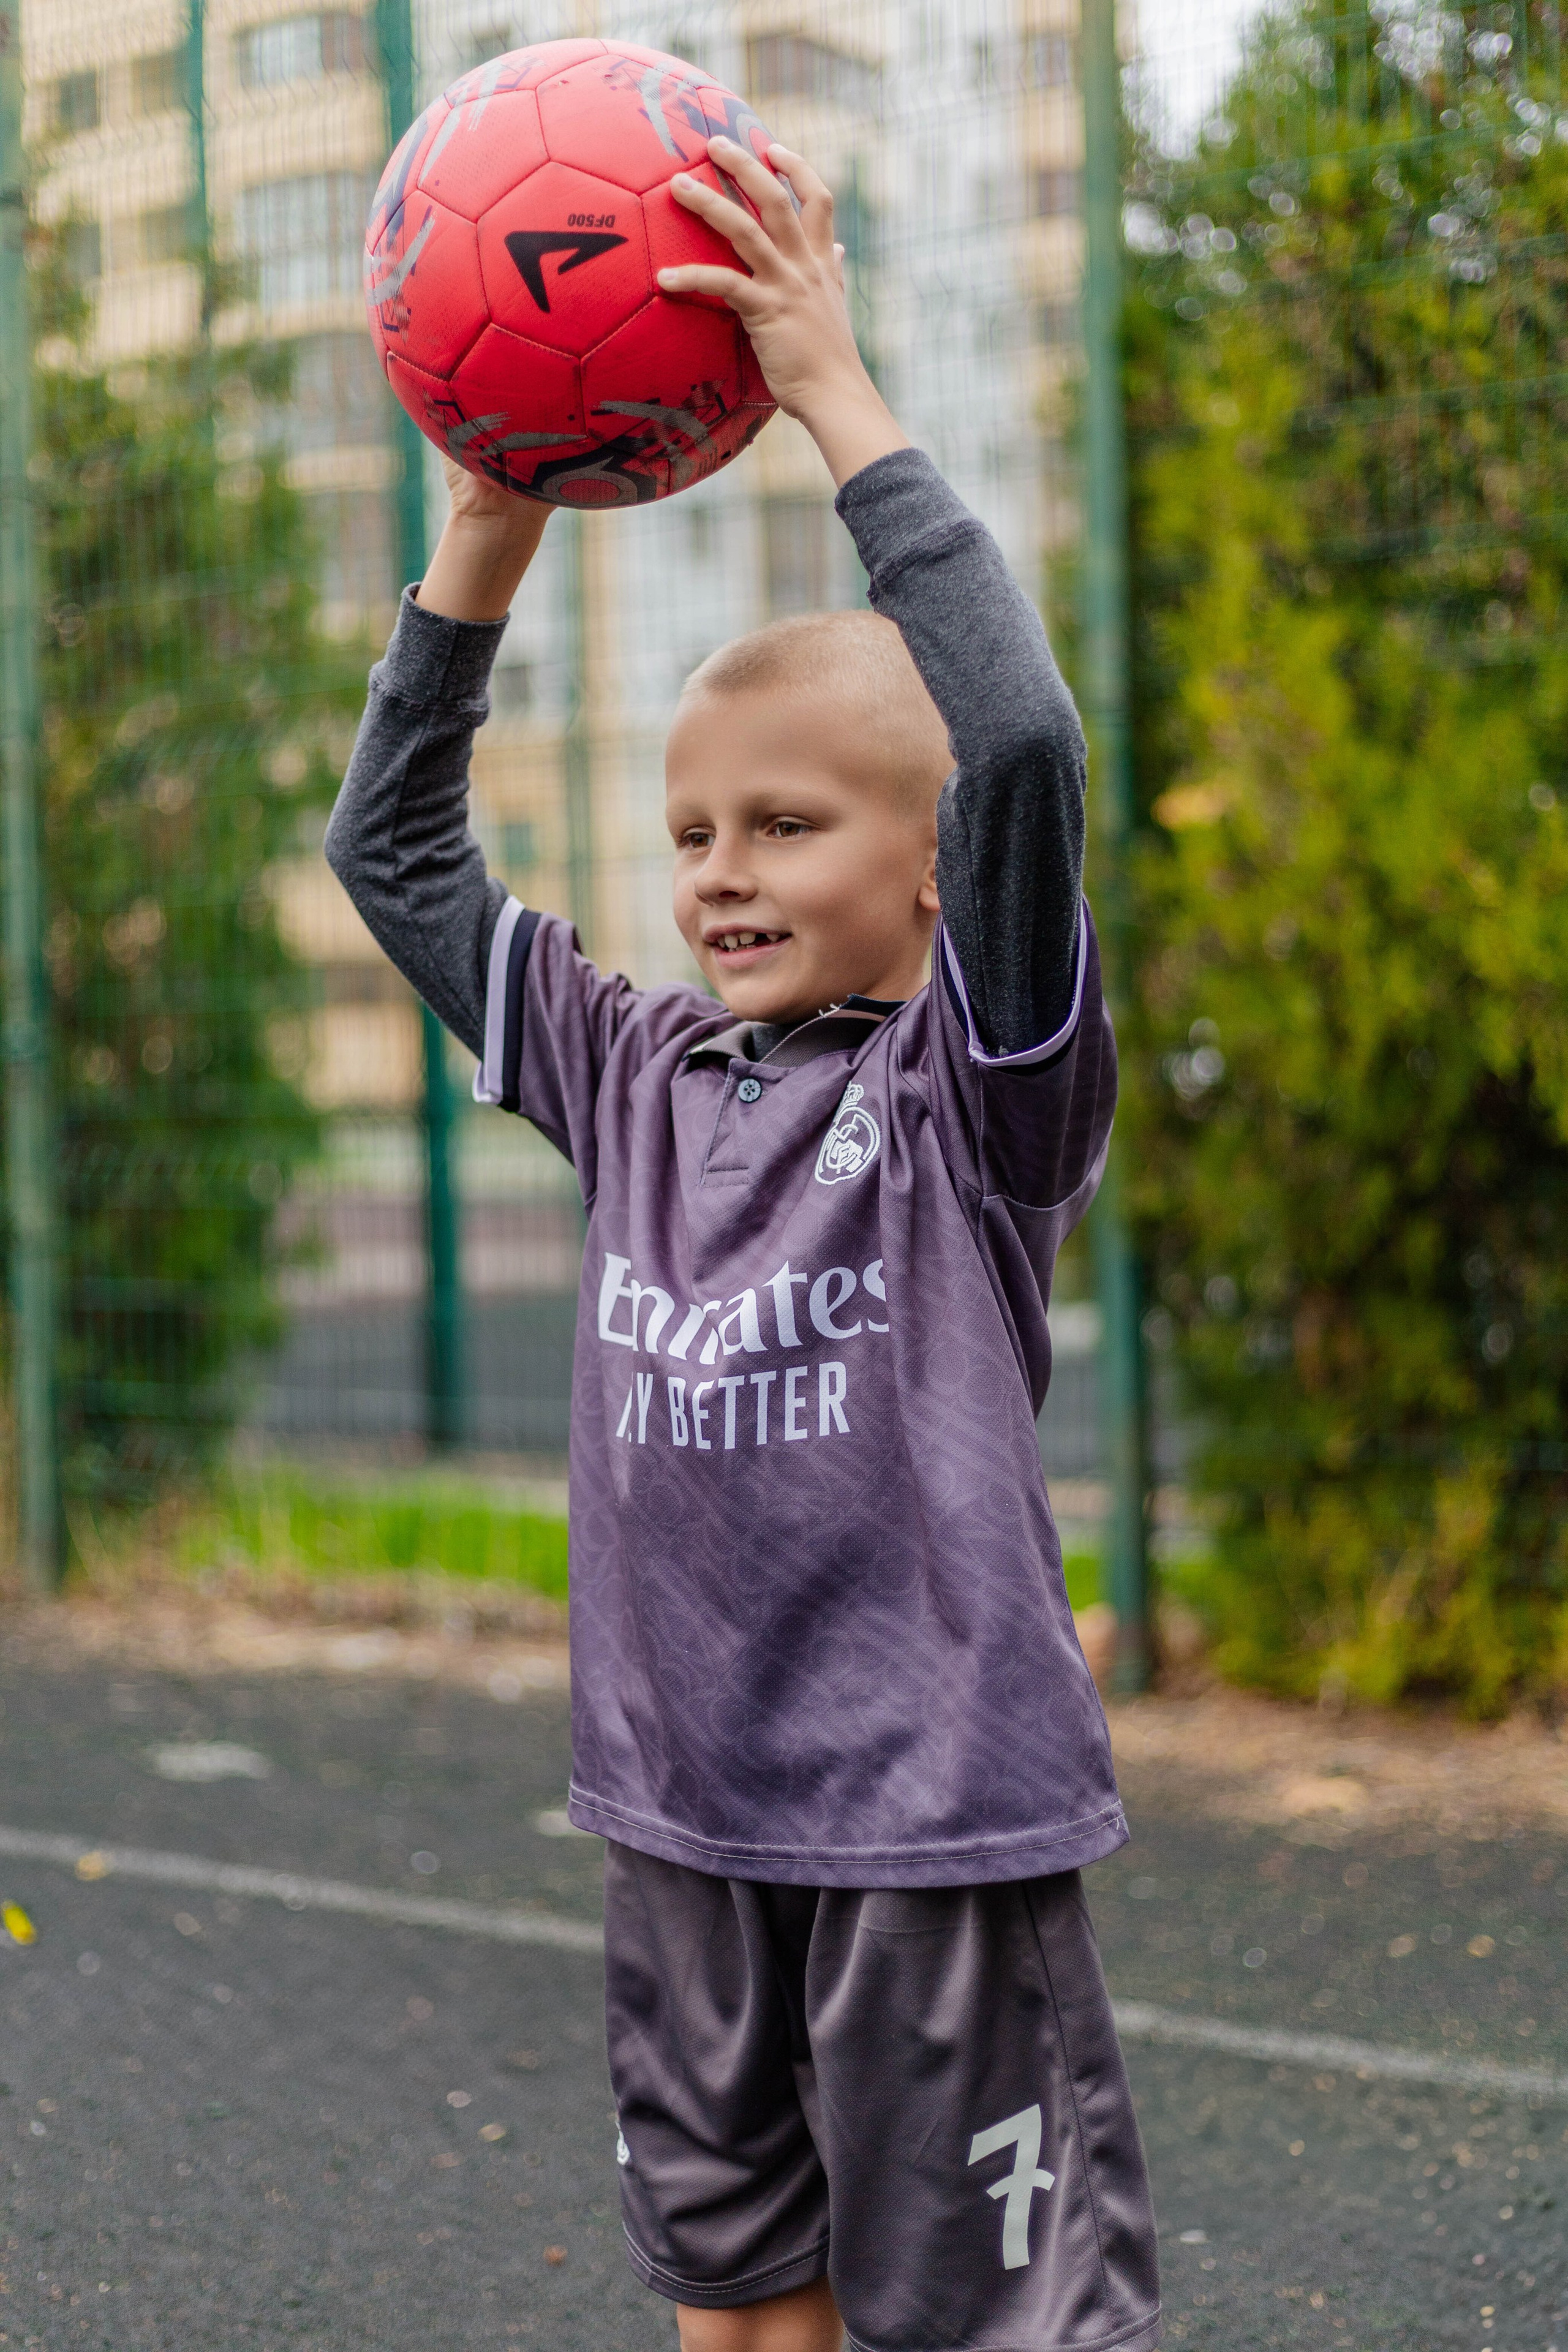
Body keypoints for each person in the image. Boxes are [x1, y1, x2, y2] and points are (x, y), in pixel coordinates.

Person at [327, 132, 1160, 2352]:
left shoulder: (977, 1092)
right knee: (736, 2293)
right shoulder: (631, 1074)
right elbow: (395, 855)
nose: (720, 871)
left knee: (982, 2325)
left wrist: (830, 392)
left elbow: (1020, 737)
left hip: (930, 1826)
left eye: (787, 824)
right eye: (695, 830)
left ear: (931, 867)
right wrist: (489, 525)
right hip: (683, 1814)